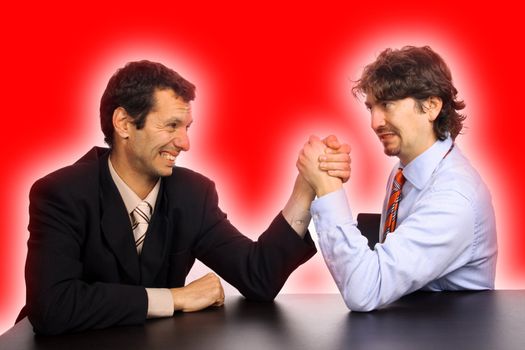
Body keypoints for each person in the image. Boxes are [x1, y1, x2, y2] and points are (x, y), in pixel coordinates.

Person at [18, 60, 351, 334]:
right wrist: (174, 298)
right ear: (123, 124)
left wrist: (306, 188)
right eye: (171, 126)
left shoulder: (192, 194)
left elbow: (258, 276)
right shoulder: (61, 193)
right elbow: (52, 307)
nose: (184, 143)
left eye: (187, 127)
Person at [297, 46, 498, 311]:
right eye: (371, 107)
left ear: (431, 106)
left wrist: (328, 187)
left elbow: (366, 290)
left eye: (388, 104)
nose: (374, 122)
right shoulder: (403, 172)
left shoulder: (453, 199)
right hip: (411, 327)